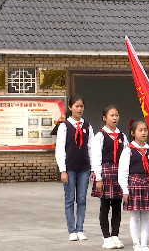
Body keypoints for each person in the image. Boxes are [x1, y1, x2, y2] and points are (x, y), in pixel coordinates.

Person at [55, 95, 94, 241]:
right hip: (70, 168)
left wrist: (92, 169)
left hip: (84, 168)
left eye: (81, 106)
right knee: (70, 199)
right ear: (70, 108)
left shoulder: (88, 127)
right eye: (76, 106)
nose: (79, 109)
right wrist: (62, 170)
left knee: (82, 199)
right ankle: (71, 230)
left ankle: (80, 229)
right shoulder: (64, 127)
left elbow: (91, 148)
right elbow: (60, 149)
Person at [118, 120, 149, 251]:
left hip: (147, 184)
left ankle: (144, 243)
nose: (143, 133)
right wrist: (125, 189)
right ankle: (136, 243)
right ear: (133, 133)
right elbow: (123, 171)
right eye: (140, 130)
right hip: (134, 184)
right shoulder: (128, 150)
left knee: (146, 215)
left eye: (145, 130)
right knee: (135, 215)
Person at [91, 105, 128, 249]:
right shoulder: (100, 135)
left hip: (118, 172)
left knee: (117, 207)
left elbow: (125, 157)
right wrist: (98, 178)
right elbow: (96, 157)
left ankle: (115, 236)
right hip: (106, 171)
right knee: (105, 206)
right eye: (111, 115)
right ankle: (106, 237)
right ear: (104, 118)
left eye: (116, 115)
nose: (115, 118)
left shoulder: (122, 136)